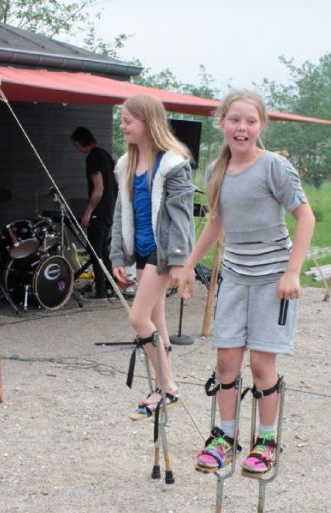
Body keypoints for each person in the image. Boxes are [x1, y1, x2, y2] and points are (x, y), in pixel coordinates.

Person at [178, 89, 315, 476]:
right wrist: (189, 265)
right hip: (235, 278)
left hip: (273, 279)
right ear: (221, 123)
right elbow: (217, 221)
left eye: (250, 121)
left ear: (261, 126)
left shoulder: (274, 167)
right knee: (226, 362)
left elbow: (306, 217)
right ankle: (225, 437)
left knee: (261, 365)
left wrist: (292, 271)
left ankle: (266, 441)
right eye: (235, 120)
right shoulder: (216, 171)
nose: (242, 127)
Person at [110, 94, 195, 418]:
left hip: (163, 251)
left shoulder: (172, 164)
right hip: (142, 250)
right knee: (156, 321)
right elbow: (121, 214)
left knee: (137, 317)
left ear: (148, 123)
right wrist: (118, 256)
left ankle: (168, 387)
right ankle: (164, 386)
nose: (122, 126)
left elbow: (181, 217)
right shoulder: (126, 165)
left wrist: (178, 261)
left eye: (128, 121)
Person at [71, 126, 117, 299]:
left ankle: (101, 290)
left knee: (95, 251)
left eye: (76, 145)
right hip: (109, 209)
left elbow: (98, 189)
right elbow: (115, 184)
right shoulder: (105, 155)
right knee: (103, 250)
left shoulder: (93, 158)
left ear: (82, 142)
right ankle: (110, 287)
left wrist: (88, 211)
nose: (77, 149)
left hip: (99, 210)